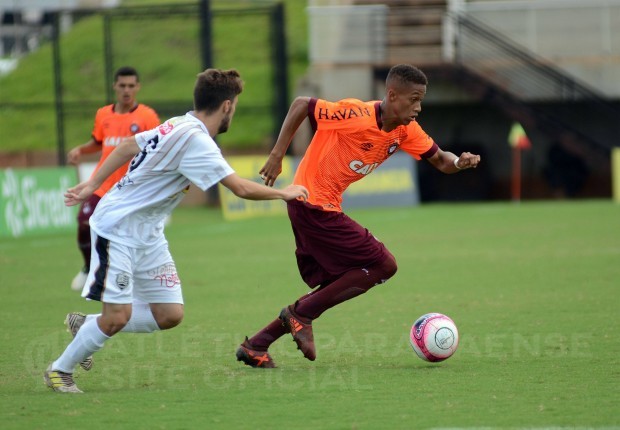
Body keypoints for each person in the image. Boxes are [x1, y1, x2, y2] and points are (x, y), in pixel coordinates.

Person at [44, 68, 309, 393]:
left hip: (148, 234)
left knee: (169, 313)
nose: (234, 112)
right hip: (119, 229)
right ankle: (60, 370)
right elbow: (240, 188)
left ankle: (87, 325)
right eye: (235, 105)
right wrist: (285, 193)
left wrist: (93, 183)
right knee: (116, 317)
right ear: (227, 106)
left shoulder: (178, 123)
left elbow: (129, 145)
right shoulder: (197, 141)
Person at [236, 64, 481, 368]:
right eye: (413, 99)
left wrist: (461, 162)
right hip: (311, 203)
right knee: (382, 264)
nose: (418, 108)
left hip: (320, 207)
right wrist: (276, 155)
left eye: (421, 100)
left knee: (345, 278)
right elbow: (301, 105)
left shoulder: (405, 130)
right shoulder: (355, 114)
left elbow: (442, 161)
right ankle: (300, 314)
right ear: (392, 95)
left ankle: (257, 344)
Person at [67, 66, 160, 292]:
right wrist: (81, 150)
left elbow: (159, 147)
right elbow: (98, 142)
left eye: (131, 86)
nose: (126, 90)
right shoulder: (103, 114)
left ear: (137, 87)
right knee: (84, 222)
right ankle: (89, 267)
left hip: (130, 188)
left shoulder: (147, 116)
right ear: (115, 87)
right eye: (122, 86)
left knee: (129, 235)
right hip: (103, 185)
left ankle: (129, 277)